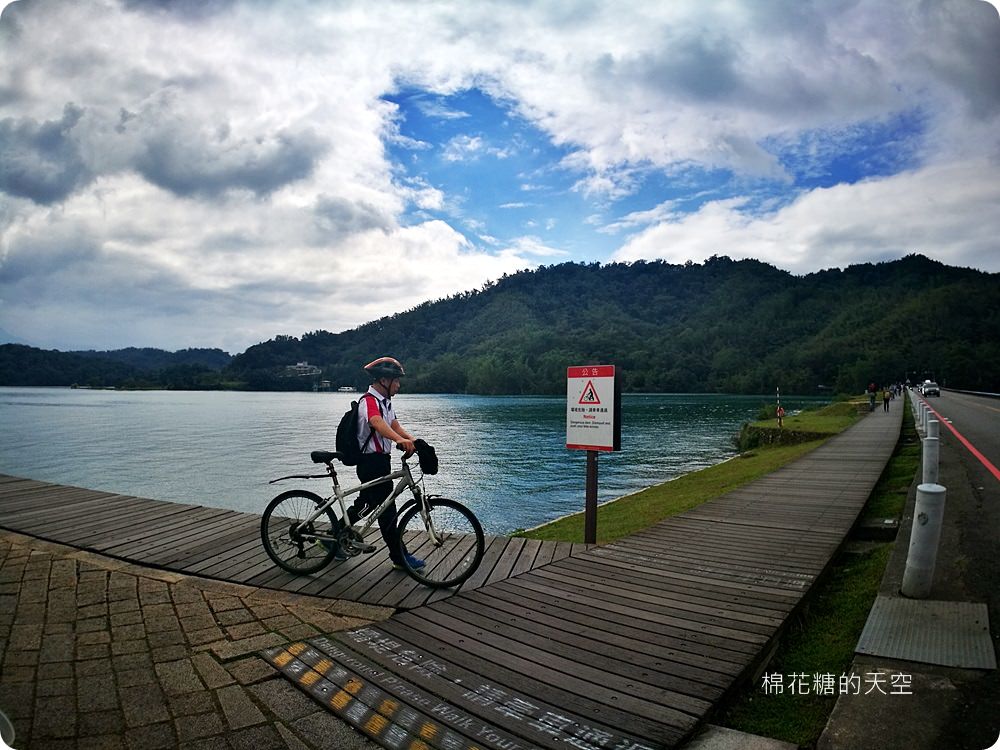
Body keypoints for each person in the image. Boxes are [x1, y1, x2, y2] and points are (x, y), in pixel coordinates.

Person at [352, 356, 425, 570]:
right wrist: (398, 440)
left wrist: (413, 440)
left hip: (381, 461)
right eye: (396, 380)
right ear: (384, 380)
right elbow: (376, 422)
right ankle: (399, 557)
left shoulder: (385, 403)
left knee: (365, 504)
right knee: (388, 511)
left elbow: (394, 425)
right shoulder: (369, 401)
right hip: (370, 462)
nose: (399, 385)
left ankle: (333, 537)